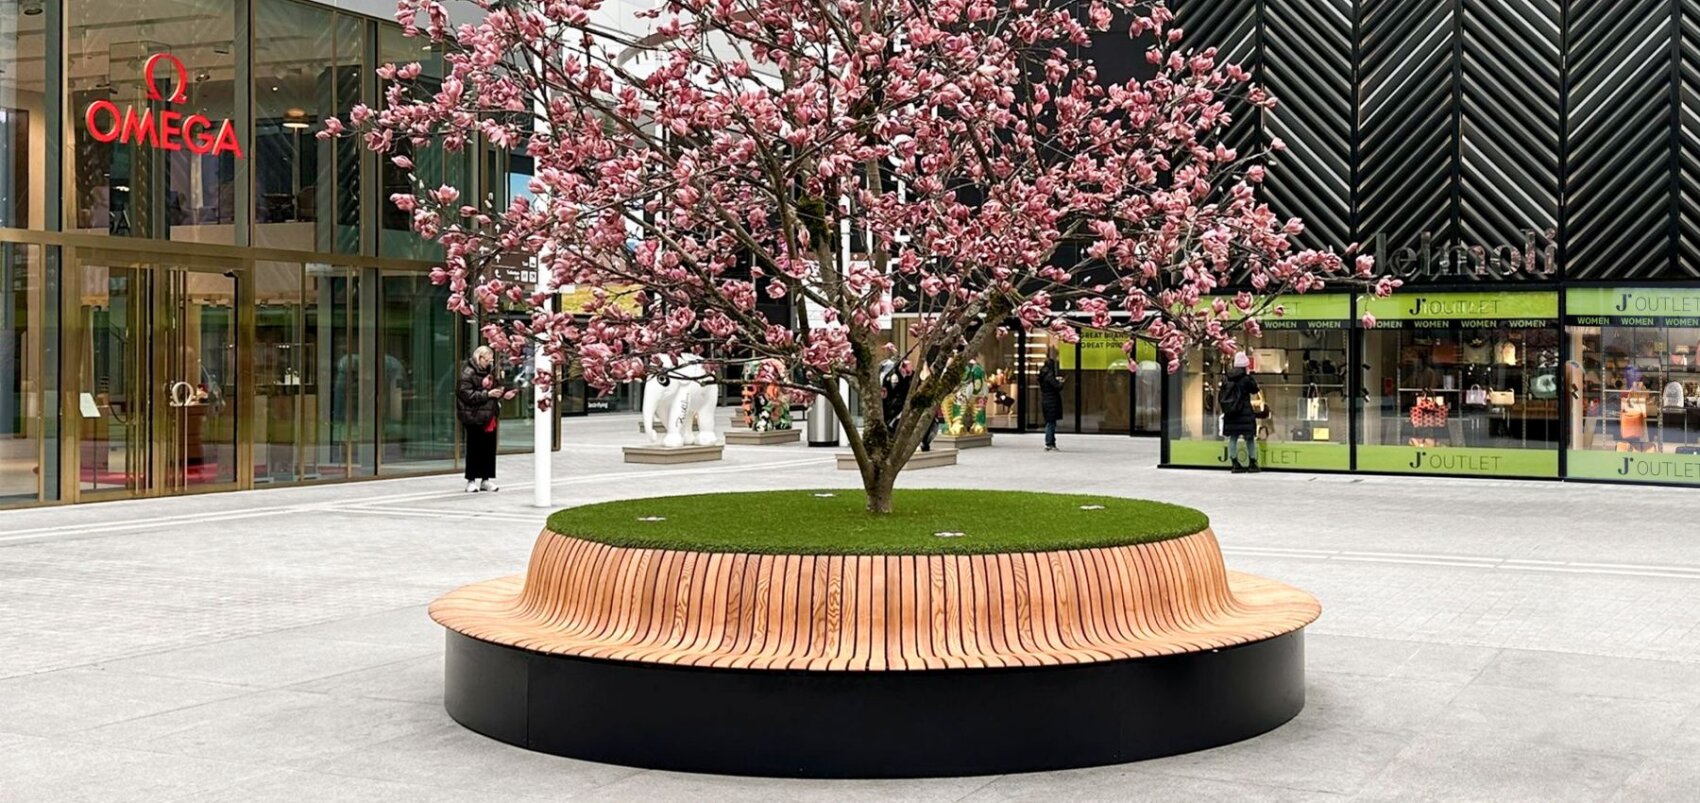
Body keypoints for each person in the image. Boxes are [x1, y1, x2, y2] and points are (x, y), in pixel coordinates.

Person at [456, 346, 505, 492]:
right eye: (487, 359)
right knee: (474, 448)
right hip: (473, 415)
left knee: (488, 448)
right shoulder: (468, 372)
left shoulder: (489, 372)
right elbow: (466, 395)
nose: (489, 362)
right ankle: (471, 480)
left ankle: (486, 479)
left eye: (491, 359)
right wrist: (488, 394)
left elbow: (494, 388)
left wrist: (500, 393)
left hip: (489, 415)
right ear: (479, 357)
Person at [1219, 352, 1261, 473]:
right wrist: (1249, 376)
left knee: (1233, 438)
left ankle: (1235, 463)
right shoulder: (1246, 379)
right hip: (1244, 412)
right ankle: (1252, 463)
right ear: (1245, 366)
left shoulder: (1227, 377)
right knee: (1249, 438)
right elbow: (1255, 390)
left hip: (1231, 412)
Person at [1039, 344, 1064, 451]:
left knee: (1050, 422)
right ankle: (1049, 443)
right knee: (1051, 423)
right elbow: (1057, 386)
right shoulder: (1049, 377)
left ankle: (1051, 442)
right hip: (1052, 401)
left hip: (1046, 400)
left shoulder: (1043, 376)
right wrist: (1061, 382)